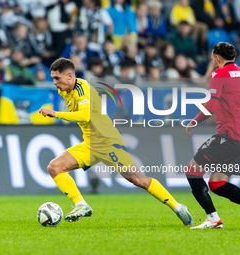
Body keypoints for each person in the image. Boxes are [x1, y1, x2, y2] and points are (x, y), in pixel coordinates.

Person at [39, 58, 193, 224]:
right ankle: (81, 205)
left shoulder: (83, 90)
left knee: (138, 180)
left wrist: (56, 113)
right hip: (91, 144)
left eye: (57, 78)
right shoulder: (65, 90)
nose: (54, 82)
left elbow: (84, 115)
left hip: (108, 142)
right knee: (55, 167)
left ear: (70, 76)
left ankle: (178, 207)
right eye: (53, 78)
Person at [185, 42, 240, 229]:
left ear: (217, 58)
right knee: (217, 183)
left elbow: (211, 106)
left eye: (212, 58)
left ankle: (213, 219)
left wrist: (194, 121)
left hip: (228, 136)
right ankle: (214, 219)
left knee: (192, 172)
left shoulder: (218, 74)